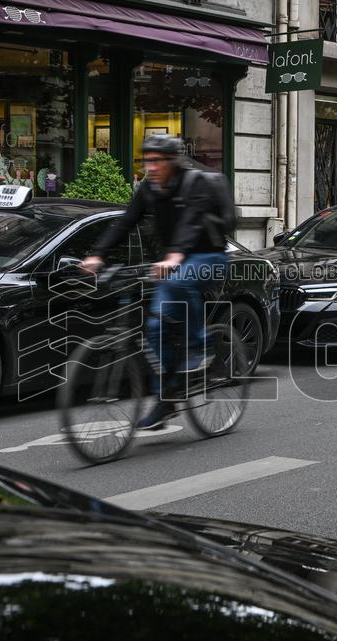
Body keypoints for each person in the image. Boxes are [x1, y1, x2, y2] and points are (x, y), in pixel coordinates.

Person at [81, 134, 231, 430]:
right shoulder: (148, 189)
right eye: (146, 160)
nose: (150, 166)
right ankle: (166, 399)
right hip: (174, 262)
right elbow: (125, 222)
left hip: (209, 257)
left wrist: (175, 255)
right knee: (154, 327)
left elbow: (192, 220)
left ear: (172, 161)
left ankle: (202, 347)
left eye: (156, 160)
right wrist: (97, 255)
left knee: (181, 282)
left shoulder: (194, 183)